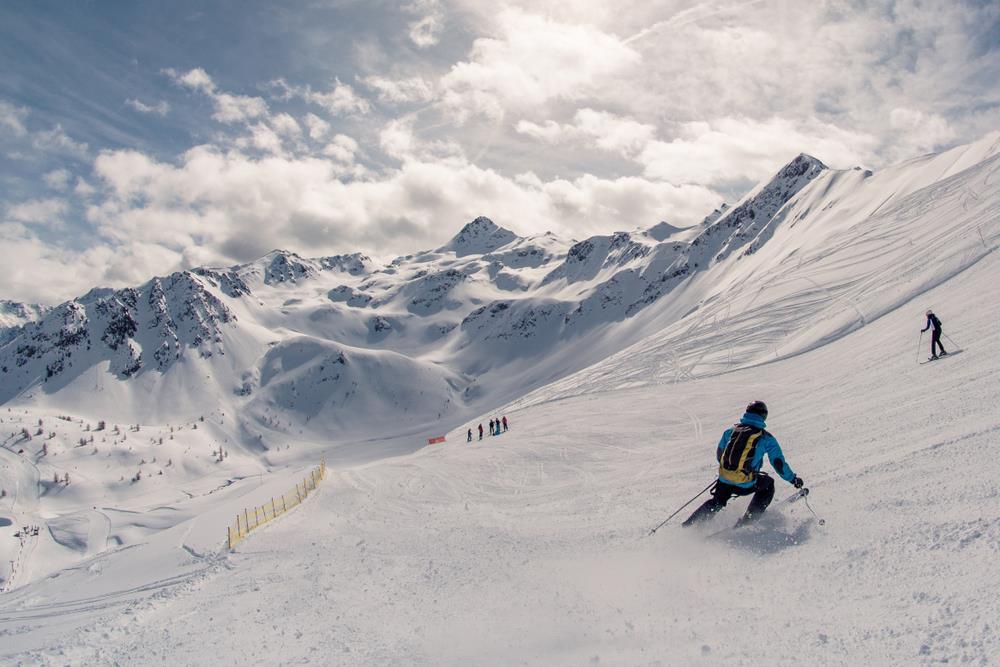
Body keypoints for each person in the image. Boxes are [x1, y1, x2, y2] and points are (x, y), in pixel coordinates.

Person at [683, 401, 803, 528]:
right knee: (768, 484)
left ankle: (688, 525)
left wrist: (731, 470)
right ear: (763, 416)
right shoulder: (766, 438)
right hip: (745, 483)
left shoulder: (730, 431)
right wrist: (793, 479)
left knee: (717, 502)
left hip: (724, 480)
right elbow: (778, 464)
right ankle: (749, 519)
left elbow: (720, 455)